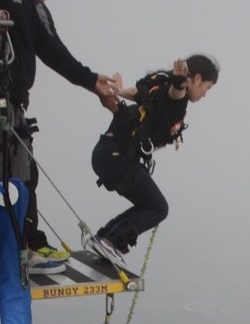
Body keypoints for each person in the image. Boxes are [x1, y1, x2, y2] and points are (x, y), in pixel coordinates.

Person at [0, 0, 117, 324]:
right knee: (9, 263)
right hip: (5, 128)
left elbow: (50, 49)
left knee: (12, 255)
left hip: (11, 125)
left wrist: (92, 81)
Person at [88, 55, 219, 267]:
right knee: (158, 208)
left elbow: (137, 93)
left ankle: (103, 239)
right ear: (196, 79)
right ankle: (109, 240)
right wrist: (179, 82)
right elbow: (174, 95)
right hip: (117, 157)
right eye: (207, 87)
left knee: (148, 204)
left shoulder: (158, 84)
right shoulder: (176, 94)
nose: (205, 94)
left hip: (107, 154)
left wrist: (118, 91)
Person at [23, 0, 68, 271]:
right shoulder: (31, 10)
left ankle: (28, 243)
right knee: (24, 178)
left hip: (15, 110)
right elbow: (54, 51)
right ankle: (30, 245)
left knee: (27, 176)